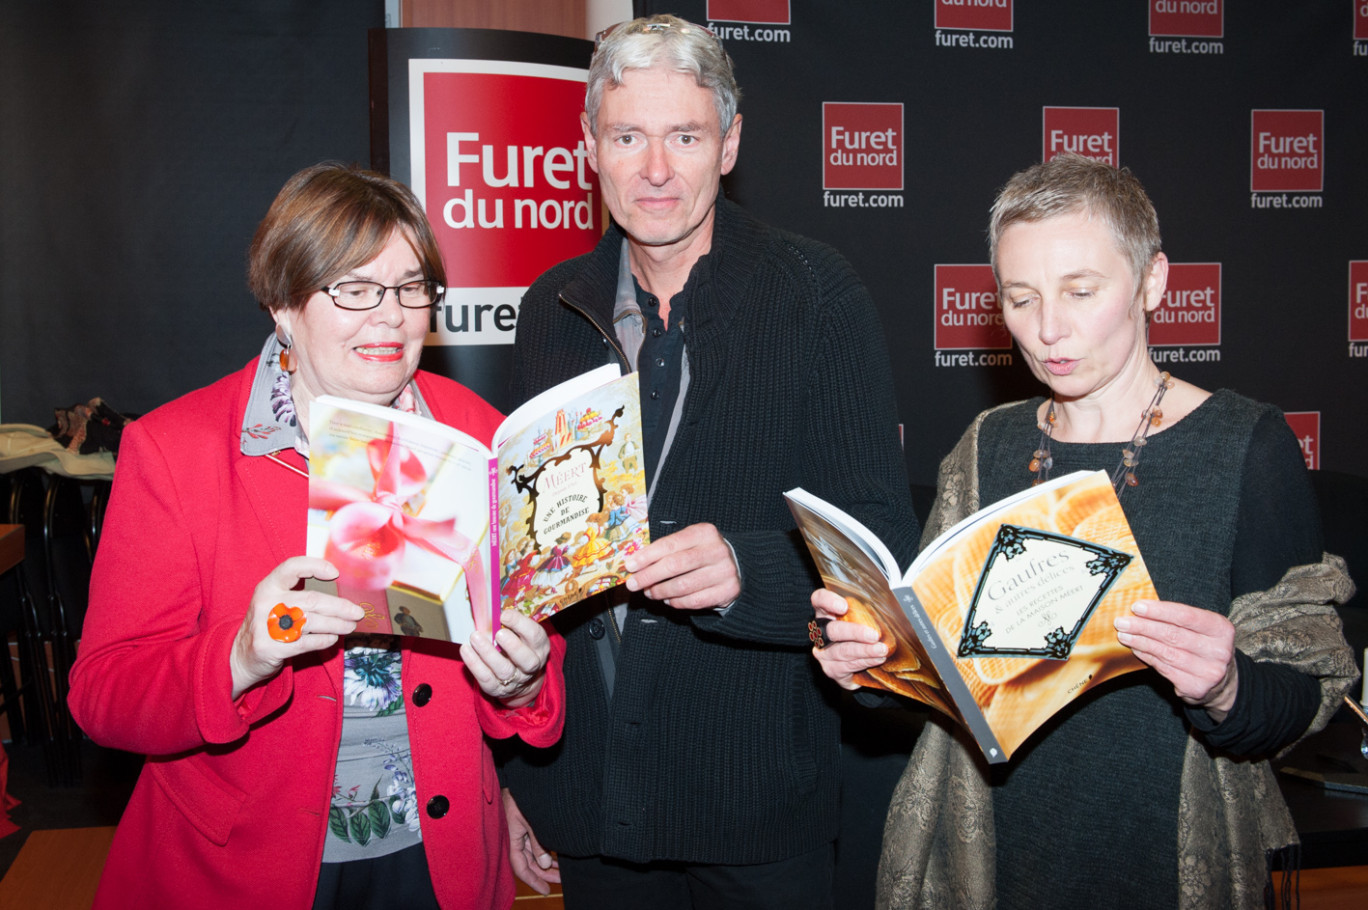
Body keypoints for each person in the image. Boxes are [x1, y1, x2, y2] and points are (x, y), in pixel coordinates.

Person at [811, 153, 1359, 910]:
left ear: (1153, 283)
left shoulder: (1247, 446)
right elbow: (945, 681)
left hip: (1163, 866)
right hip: (989, 862)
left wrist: (1229, 685)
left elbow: (1304, 691)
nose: (1046, 330)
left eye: (1080, 291)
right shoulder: (986, 444)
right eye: (1021, 297)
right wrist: (873, 668)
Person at [495, 14, 920, 910]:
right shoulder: (548, 310)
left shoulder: (817, 295)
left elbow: (881, 547)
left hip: (759, 807)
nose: (655, 169)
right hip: (590, 801)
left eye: (684, 136)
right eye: (628, 137)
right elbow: (520, 571)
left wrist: (746, 570)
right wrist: (519, 778)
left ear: (729, 144)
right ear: (589, 148)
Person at [67, 162, 566, 910]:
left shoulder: (476, 434)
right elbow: (104, 695)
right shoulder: (176, 450)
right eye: (355, 288)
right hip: (244, 867)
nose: (391, 316)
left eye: (409, 287)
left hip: (440, 856)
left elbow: (536, 653)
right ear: (282, 304)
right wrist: (242, 654)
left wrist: (522, 680)